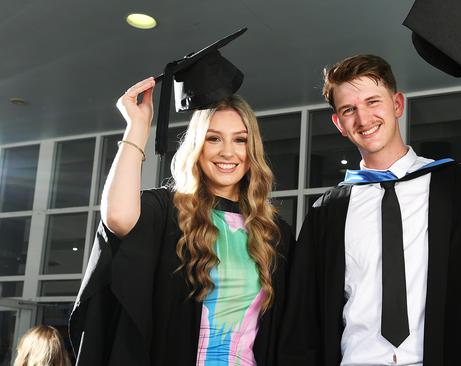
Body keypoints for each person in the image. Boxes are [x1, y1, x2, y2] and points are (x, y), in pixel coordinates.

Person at [277, 54, 461, 366]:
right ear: (339, 123)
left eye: (373, 102)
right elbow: (303, 321)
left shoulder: (458, 187)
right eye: (349, 109)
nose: (363, 118)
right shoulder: (328, 212)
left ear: (397, 104)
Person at [68, 77, 293, 366]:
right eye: (214, 138)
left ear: (252, 150)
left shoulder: (272, 234)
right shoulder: (167, 212)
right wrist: (137, 127)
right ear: (197, 146)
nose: (228, 151)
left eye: (240, 139)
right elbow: (118, 218)